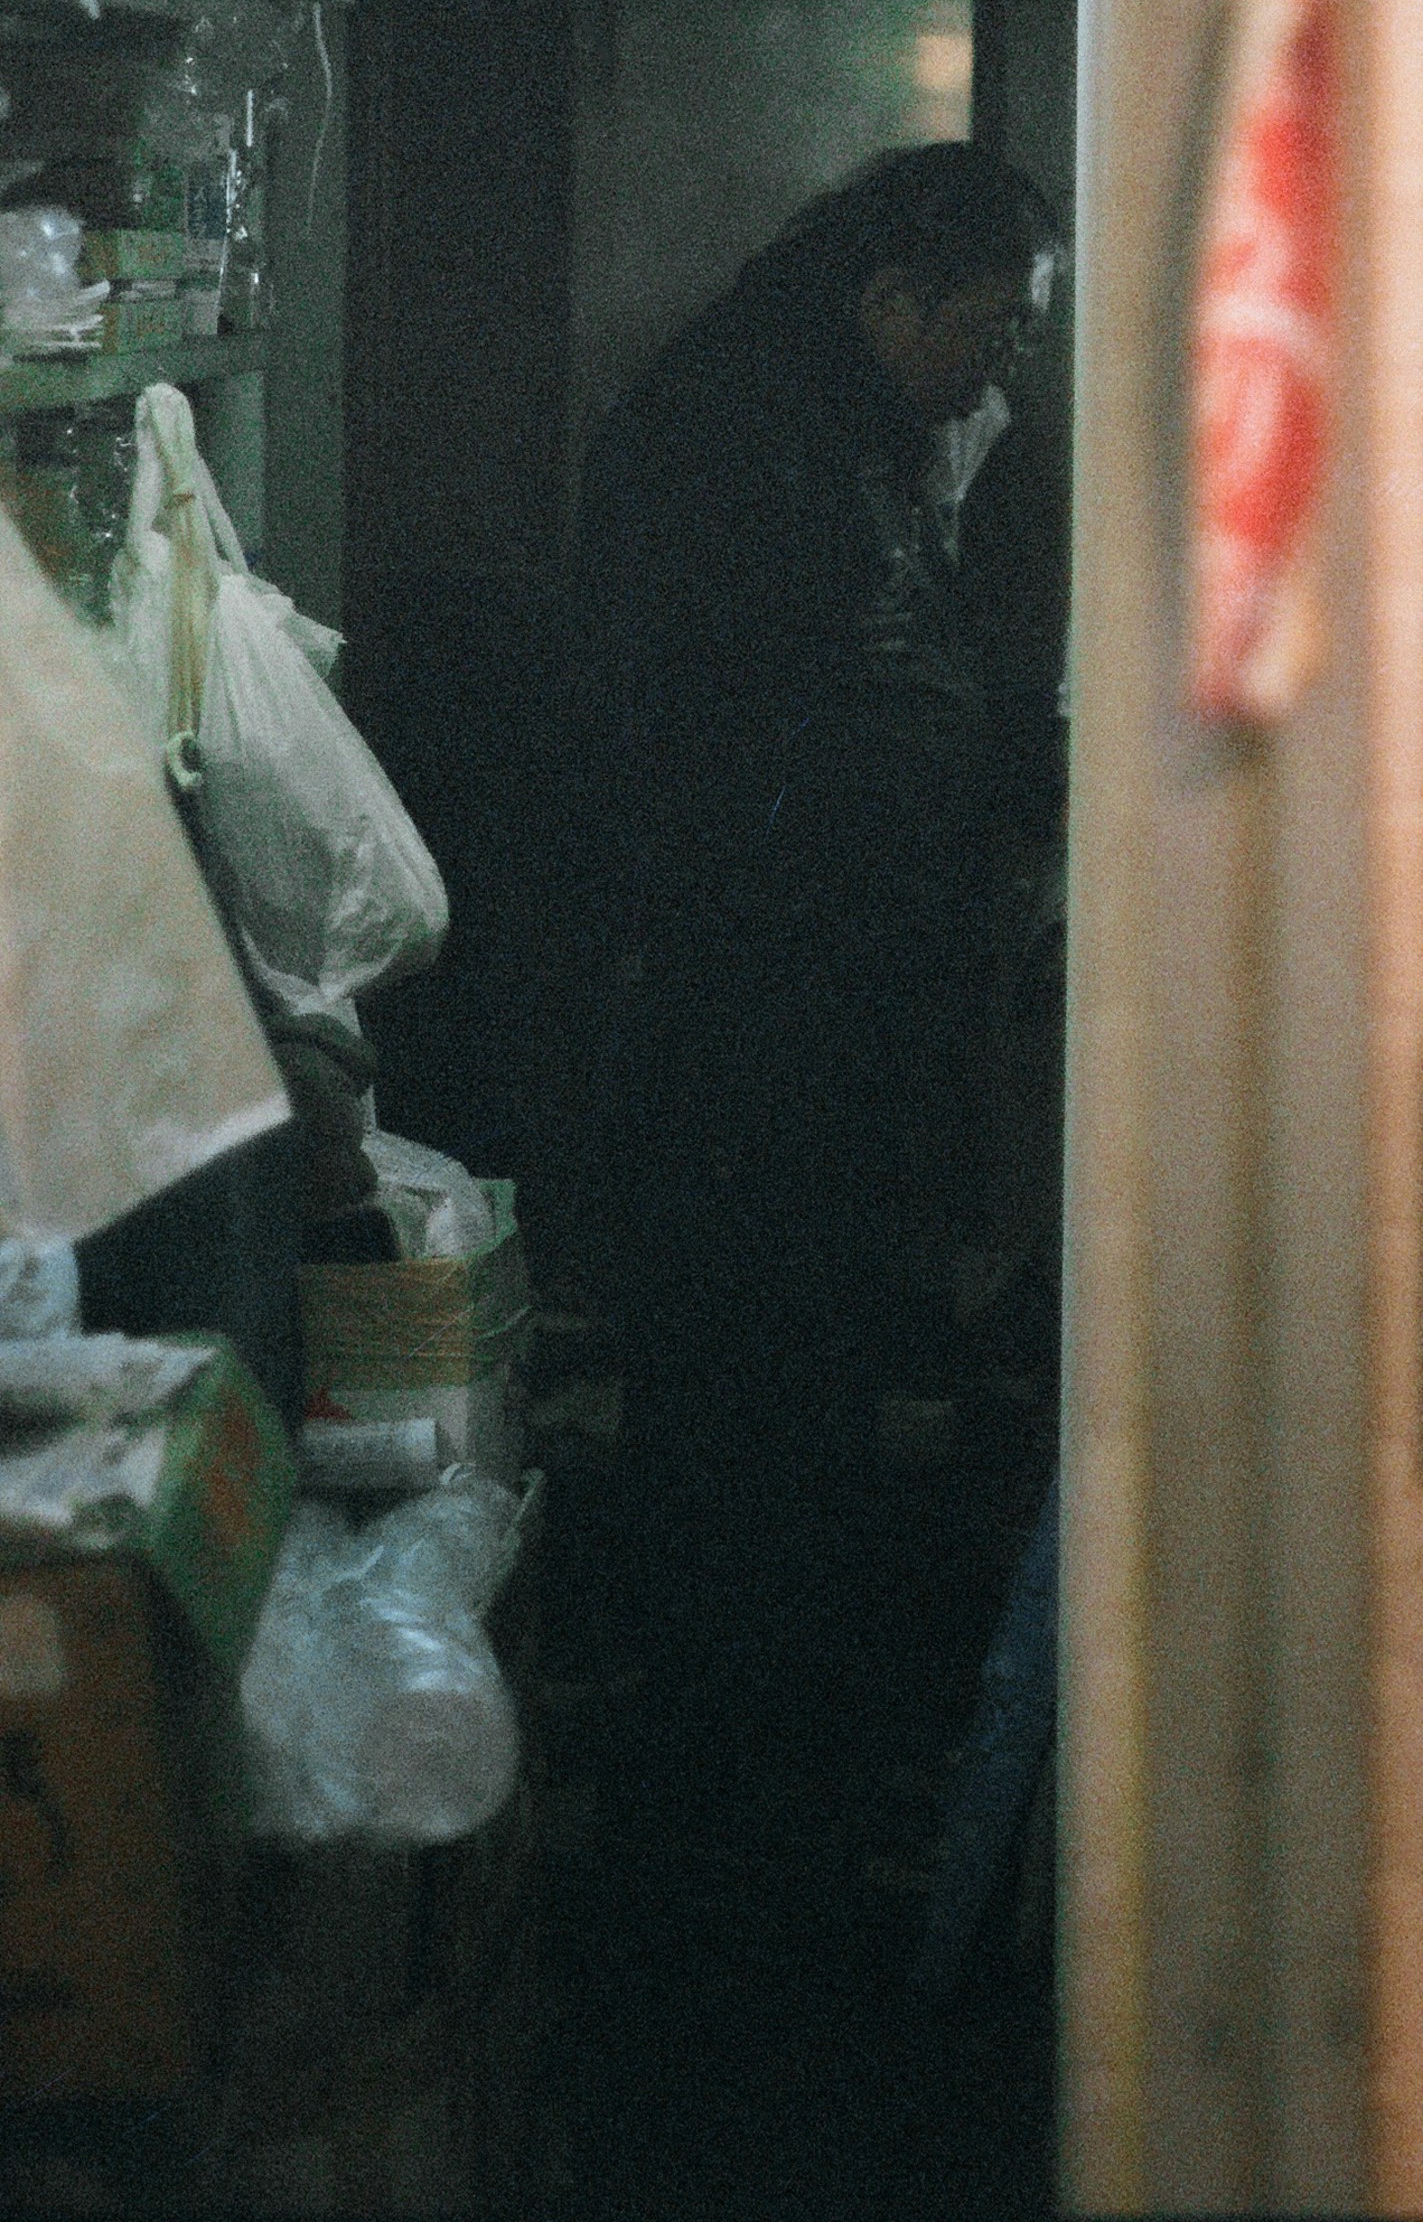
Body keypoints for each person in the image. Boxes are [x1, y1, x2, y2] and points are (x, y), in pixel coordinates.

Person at [569, 143, 1065, 1871]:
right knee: (756, 1389)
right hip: (752, 1009)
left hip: (779, 997)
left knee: (774, 1380)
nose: (994, 372)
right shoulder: (752, 451)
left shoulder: (806, 418)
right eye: (985, 332)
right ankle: (736, 1785)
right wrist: (1008, 785)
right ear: (885, 302)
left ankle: (748, 1749)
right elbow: (829, 728)